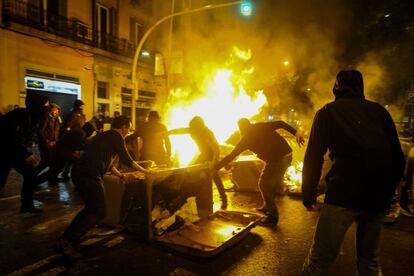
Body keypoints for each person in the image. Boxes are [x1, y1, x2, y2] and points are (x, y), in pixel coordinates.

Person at [301, 70, 405, 275]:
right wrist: (390, 192)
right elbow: (397, 155)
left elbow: (313, 157)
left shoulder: (327, 112)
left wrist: (308, 195)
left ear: (336, 87)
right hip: (377, 196)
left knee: (320, 259)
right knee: (370, 260)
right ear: (361, 87)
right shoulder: (379, 112)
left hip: (343, 194)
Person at [55, 115, 152, 259]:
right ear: (123, 127)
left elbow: (109, 163)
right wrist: (146, 171)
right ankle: (68, 241)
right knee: (99, 211)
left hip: (80, 173)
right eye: (128, 128)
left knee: (90, 209)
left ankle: (66, 239)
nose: (128, 132)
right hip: (90, 175)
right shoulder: (116, 135)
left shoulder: (104, 136)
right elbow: (126, 158)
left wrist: (120, 175)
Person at [215, 118, 304, 225]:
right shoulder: (259, 126)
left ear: (241, 129)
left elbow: (231, 155)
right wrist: (296, 133)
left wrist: (216, 167)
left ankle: (272, 217)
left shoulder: (246, 139)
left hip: (278, 159)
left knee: (264, 185)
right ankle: (267, 206)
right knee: (267, 183)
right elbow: (280, 123)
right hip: (283, 156)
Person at [0, 93, 49, 213]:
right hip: (3, 150)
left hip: (14, 151)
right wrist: (26, 154)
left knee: (30, 174)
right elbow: (10, 138)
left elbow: (33, 136)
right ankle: (27, 205)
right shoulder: (19, 115)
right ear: (36, 105)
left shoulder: (34, 117)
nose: (47, 107)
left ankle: (27, 205)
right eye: (45, 105)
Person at [169, 116, 228, 209]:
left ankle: (224, 199)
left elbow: (216, 149)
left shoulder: (206, 133)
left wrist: (213, 162)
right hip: (202, 154)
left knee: (214, 175)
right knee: (188, 169)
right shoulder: (193, 129)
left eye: (193, 127)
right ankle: (188, 196)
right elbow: (181, 130)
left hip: (211, 155)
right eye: (191, 127)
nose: (191, 129)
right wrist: (169, 132)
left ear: (199, 126)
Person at [36, 103, 61, 177]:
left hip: (54, 143)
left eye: (57, 111)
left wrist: (56, 141)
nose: (56, 113)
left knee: (53, 161)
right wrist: (47, 141)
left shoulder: (56, 119)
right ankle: (33, 174)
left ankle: (52, 177)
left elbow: (58, 129)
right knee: (46, 161)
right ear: (50, 110)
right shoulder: (45, 118)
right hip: (46, 143)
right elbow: (40, 131)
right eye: (54, 111)